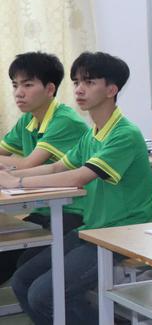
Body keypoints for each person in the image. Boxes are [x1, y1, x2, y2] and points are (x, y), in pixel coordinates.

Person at [3, 52, 152, 325]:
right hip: (93, 228)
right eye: (76, 82)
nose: (79, 89)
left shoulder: (125, 134)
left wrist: (18, 182)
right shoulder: (92, 133)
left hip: (123, 233)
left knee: (43, 295)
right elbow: (56, 168)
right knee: (23, 281)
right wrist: (12, 177)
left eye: (89, 82)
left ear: (111, 89)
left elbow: (79, 177)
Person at [0, 52, 89, 285]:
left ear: (50, 89)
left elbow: (30, 163)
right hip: (44, 210)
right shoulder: (28, 119)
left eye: (27, 85)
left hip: (75, 211)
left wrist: (8, 170)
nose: (19, 93)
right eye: (15, 85)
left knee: (24, 268)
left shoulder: (65, 120)